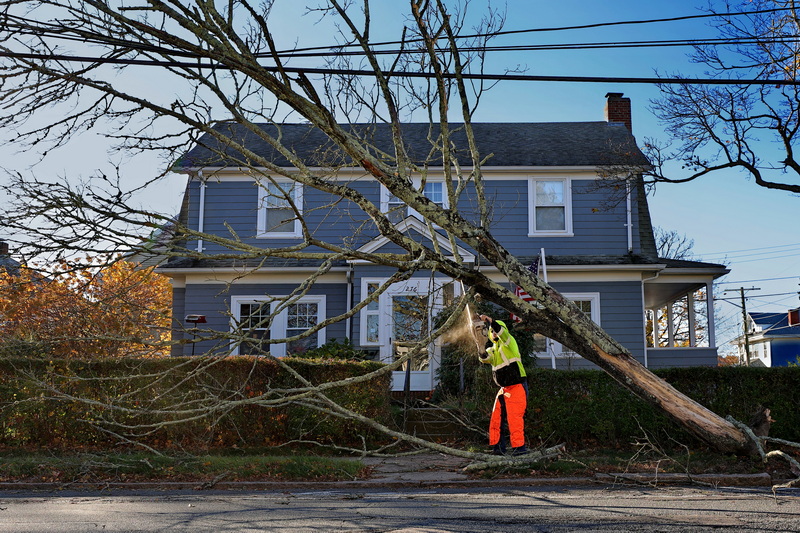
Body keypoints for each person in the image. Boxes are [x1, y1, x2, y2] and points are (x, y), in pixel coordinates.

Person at [477, 314, 528, 455]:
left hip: (517, 386)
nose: (493, 333)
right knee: (496, 418)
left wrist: (490, 321)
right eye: (491, 331)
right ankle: (498, 449)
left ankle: (519, 449)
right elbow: (485, 358)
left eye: (494, 330)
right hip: (503, 389)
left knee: (514, 419)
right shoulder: (492, 349)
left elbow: (502, 333)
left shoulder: (509, 342)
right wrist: (480, 346)